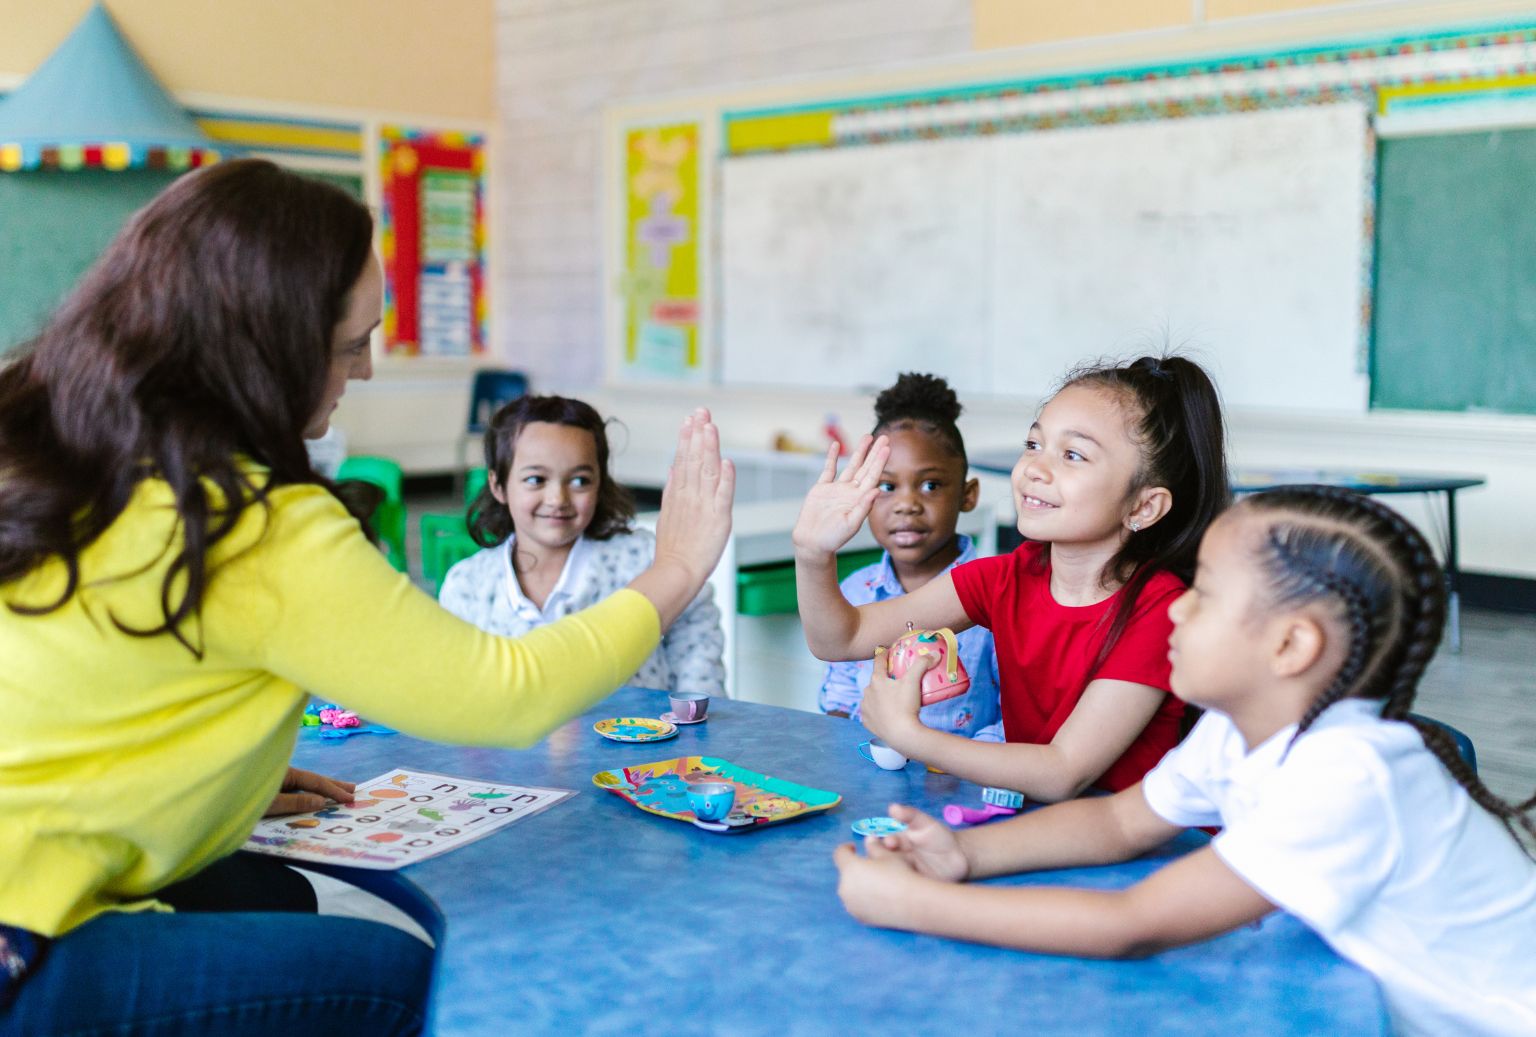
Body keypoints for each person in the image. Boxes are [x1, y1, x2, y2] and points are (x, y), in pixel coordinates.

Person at [0, 158, 734, 1036]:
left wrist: (208, 783)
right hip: (18, 938)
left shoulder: (64, 444)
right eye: (352, 345)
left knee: (265, 890)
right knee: (393, 975)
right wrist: (679, 564)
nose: (371, 368)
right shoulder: (245, 517)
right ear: (263, 345)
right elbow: (504, 693)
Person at [833, 487, 1536, 1037]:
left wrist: (918, 904)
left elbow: (1132, 923)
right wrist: (963, 852)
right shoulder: (1238, 732)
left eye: (1204, 595)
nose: (1173, 611)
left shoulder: (1349, 772)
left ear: (1291, 646)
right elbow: (1117, 821)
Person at [795, 356, 1228, 801]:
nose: (1035, 469)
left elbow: (1063, 771)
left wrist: (910, 736)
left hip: (1132, 854)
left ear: (1143, 507)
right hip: (1034, 825)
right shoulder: (1005, 577)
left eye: (1073, 455)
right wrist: (813, 553)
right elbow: (842, 639)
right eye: (1034, 444)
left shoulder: (1160, 609)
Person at [439, 394, 725, 695]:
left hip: (640, 740)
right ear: (498, 486)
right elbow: (457, 690)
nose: (557, 499)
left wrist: (696, 718)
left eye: (579, 481)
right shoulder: (468, 585)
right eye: (536, 479)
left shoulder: (645, 559)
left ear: (600, 482)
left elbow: (696, 631)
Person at [816, 373, 1000, 740]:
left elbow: (1017, 721)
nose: (906, 505)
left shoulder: (998, 599)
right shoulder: (855, 590)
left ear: (968, 495)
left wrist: (963, 767)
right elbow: (840, 699)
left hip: (961, 784)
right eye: (886, 486)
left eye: (930, 485)